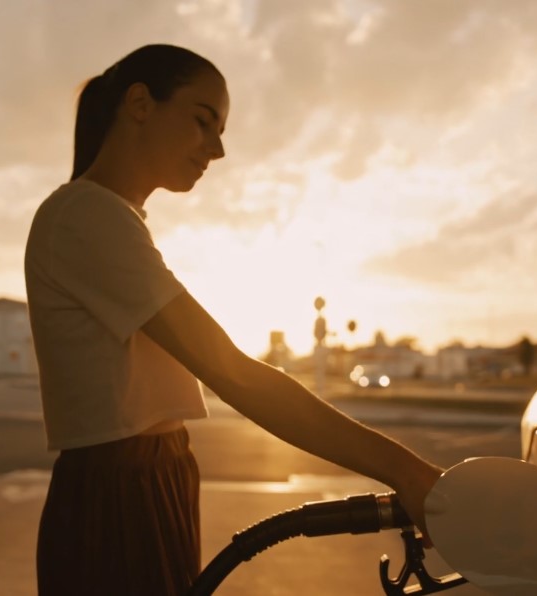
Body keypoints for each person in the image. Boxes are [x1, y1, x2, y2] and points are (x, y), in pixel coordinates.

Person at [24, 43, 444, 595]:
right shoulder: (86, 215)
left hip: (150, 480)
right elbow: (234, 373)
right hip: (119, 496)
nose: (218, 150)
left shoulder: (111, 218)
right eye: (204, 121)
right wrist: (410, 475)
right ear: (140, 103)